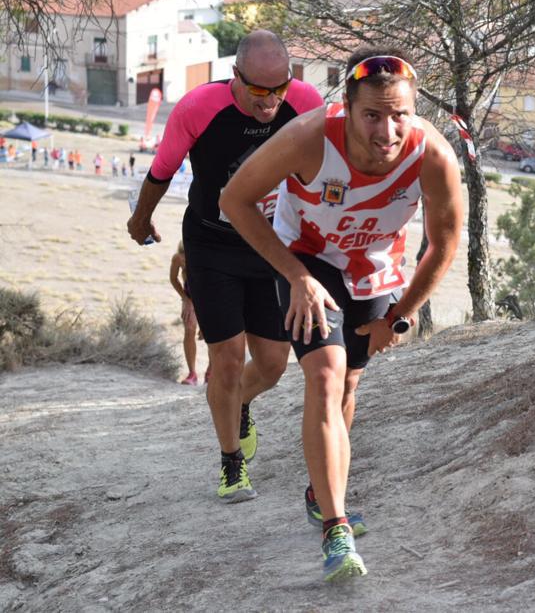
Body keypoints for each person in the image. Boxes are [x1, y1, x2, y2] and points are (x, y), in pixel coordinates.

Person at [221, 47, 464, 581]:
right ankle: (336, 529)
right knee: (326, 377)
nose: (386, 130)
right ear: (347, 109)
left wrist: (398, 317)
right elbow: (233, 200)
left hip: (374, 268)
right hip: (305, 259)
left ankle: (318, 488)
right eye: (372, 115)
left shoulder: (433, 154)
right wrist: (296, 277)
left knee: (350, 383)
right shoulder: (309, 137)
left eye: (399, 114)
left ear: (413, 109)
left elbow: (443, 244)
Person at [126, 29, 324, 504]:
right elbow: (162, 169)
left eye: (279, 88)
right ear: (236, 76)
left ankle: (240, 405)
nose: (271, 101)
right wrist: (140, 219)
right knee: (227, 359)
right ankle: (231, 465)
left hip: (271, 247)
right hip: (211, 246)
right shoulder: (199, 107)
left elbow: (326, 166)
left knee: (275, 364)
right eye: (259, 90)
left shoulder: (306, 101)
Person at [170, 241, 205, 385]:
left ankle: (211, 371)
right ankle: (192, 374)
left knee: (210, 334)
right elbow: (173, 279)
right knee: (189, 329)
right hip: (190, 297)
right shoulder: (178, 257)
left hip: (210, 297)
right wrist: (185, 300)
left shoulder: (207, 253)